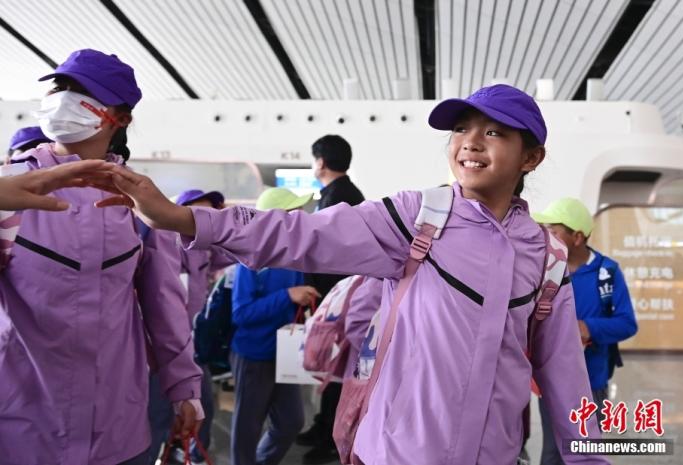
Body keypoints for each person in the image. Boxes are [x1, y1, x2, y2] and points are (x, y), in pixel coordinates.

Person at [95, 84, 609, 464]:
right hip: (396, 453)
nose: (470, 143)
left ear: (531, 157)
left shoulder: (545, 256)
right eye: (461, 130)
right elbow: (301, 233)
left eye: (493, 132)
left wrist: (588, 458)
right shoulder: (418, 218)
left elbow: (567, 378)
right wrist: (183, 218)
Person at [0, 49, 203, 465]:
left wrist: (184, 387)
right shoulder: (11, 188)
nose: (62, 97)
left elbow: (164, 304)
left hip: (116, 423)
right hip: (22, 421)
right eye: (59, 87)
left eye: (81, 91)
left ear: (120, 118)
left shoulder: (140, 200)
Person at [533, 197, 637, 465]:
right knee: (553, 452)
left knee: (584, 450)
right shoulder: (544, 270)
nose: (547, 238)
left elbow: (627, 323)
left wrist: (587, 328)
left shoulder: (607, 272)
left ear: (577, 237)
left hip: (593, 382)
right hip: (551, 381)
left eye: (554, 232)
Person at [229, 187, 320, 465]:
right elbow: (242, 313)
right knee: (247, 429)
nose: (301, 217)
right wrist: (288, 296)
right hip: (254, 355)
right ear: (274, 219)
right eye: (294, 212)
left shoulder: (293, 255)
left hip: (284, 354)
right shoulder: (250, 259)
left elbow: (292, 300)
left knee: (291, 421)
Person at [148, 188, 235, 465]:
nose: (205, 218)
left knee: (201, 408)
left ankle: (191, 456)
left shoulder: (205, 248)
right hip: (162, 346)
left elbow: (233, 253)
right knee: (158, 415)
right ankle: (162, 455)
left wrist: (227, 223)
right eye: (198, 212)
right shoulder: (164, 244)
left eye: (210, 212)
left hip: (194, 344)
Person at [302, 134, 365, 464]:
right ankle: (323, 426)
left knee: (336, 367)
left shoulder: (338, 198)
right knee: (333, 366)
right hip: (337, 294)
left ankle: (330, 436)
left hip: (340, 299)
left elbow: (327, 251)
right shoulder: (344, 194)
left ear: (321, 162)